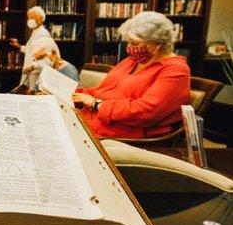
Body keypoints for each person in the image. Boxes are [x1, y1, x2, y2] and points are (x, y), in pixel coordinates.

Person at [73, 11, 190, 139]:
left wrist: (97, 104)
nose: (129, 48)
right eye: (128, 42)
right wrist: (74, 92)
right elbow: (104, 90)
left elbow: (146, 112)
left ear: (158, 44)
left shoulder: (176, 70)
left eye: (135, 43)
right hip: (93, 123)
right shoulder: (132, 61)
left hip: (121, 135)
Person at [9, 6, 51, 91]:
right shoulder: (35, 32)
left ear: (40, 18)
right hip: (30, 71)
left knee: (31, 97)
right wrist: (19, 46)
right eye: (29, 18)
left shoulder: (43, 33)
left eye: (32, 17)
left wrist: (32, 67)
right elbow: (31, 51)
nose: (29, 20)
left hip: (35, 72)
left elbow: (46, 56)